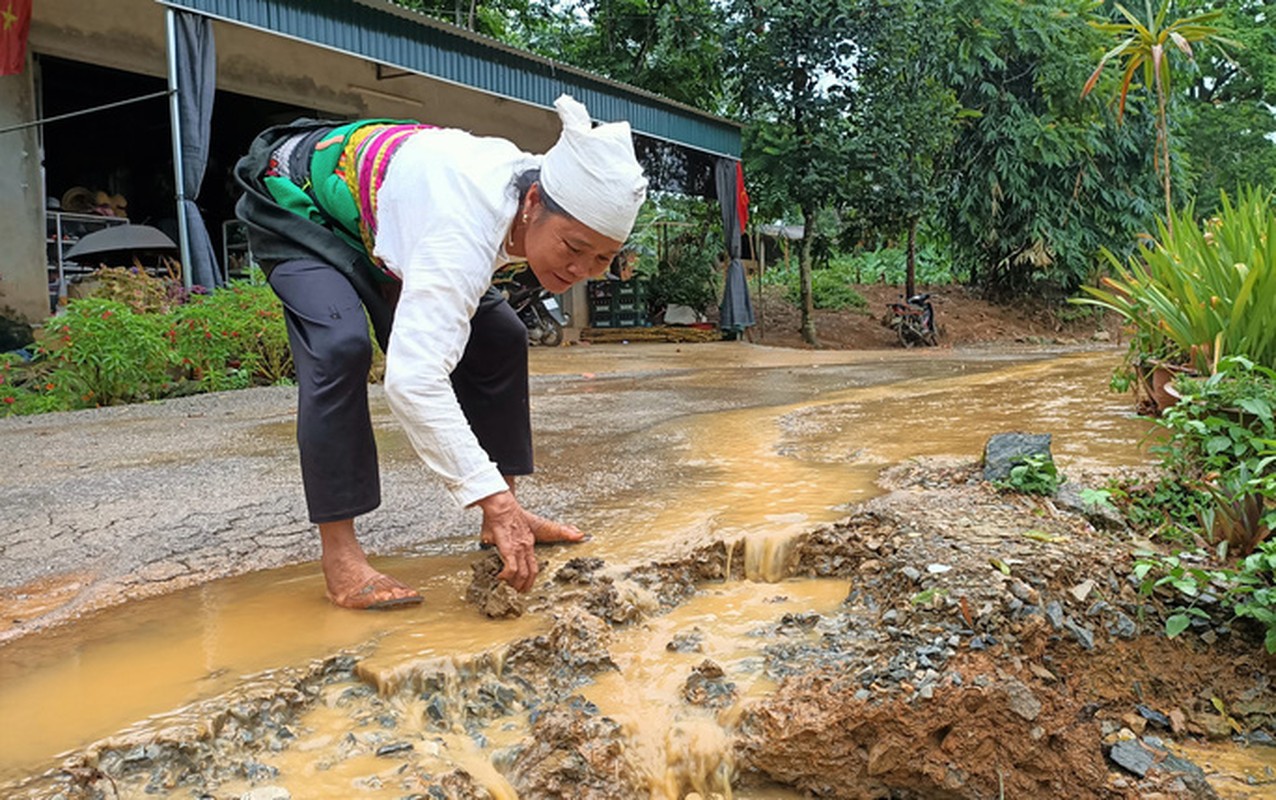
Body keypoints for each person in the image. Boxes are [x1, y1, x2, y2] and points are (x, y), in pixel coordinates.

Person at [233, 95, 648, 609]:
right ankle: (341, 555)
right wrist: (485, 492)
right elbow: (414, 380)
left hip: (389, 210)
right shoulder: (463, 226)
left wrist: (499, 501)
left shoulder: (526, 195)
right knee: (339, 347)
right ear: (534, 202)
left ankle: (505, 518)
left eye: (602, 258)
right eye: (572, 247)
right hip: (299, 197)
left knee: (499, 336)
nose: (580, 270)